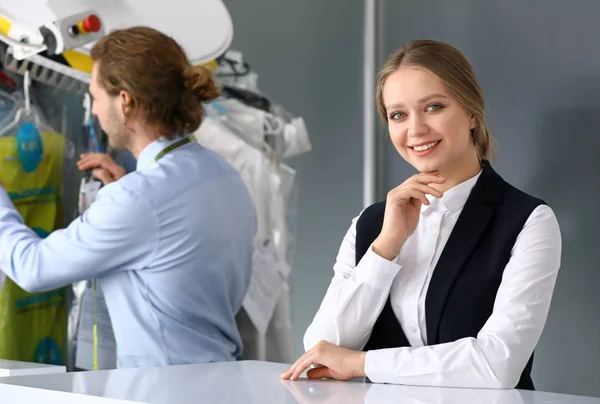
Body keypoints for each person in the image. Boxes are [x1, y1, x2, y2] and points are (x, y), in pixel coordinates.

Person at [281, 39, 561, 390]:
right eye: (398, 115)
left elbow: (496, 365)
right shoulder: (371, 224)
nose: (415, 129)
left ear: (472, 113)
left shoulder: (528, 222)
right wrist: (386, 248)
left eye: (433, 107)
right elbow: (321, 348)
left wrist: (362, 363)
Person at [0, 26, 257, 368]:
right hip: (219, 383)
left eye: (95, 97)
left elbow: (33, 267)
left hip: (162, 391)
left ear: (125, 101)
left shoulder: (138, 200)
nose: (92, 111)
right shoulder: (222, 174)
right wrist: (125, 190)